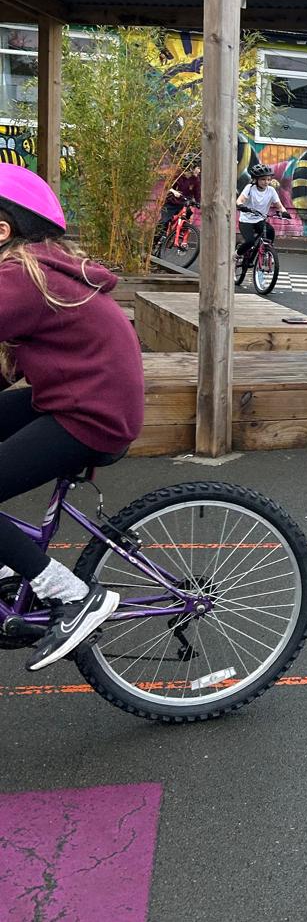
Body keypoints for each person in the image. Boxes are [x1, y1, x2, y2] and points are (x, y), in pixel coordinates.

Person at [0, 164, 145, 671]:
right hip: (76, 398)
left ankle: (73, 596)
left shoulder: (22, 277)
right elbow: (15, 364)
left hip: (90, 415)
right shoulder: (38, 271)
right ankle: (8, 565)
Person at [236, 162, 287, 262]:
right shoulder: (250, 188)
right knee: (250, 241)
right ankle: (235, 255)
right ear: (256, 179)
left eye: (268, 179)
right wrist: (241, 206)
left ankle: (267, 252)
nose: (266, 182)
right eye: (263, 179)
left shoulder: (271, 190)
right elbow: (239, 200)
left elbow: (279, 205)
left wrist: (284, 212)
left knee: (270, 231)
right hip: (246, 220)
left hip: (260, 219)